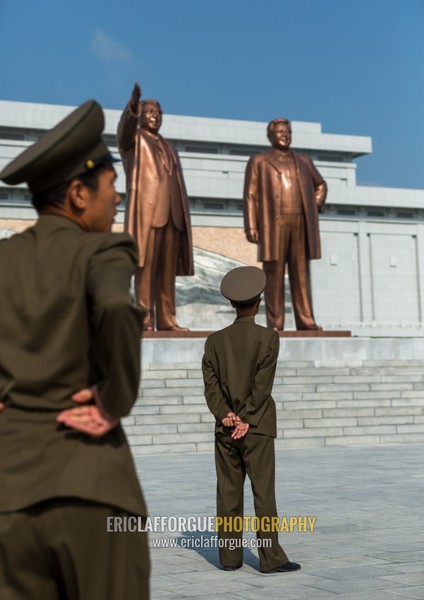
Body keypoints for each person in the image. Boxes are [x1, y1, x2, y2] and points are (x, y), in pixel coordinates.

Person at [0, 100, 150, 599]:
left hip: (9, 496)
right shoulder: (101, 250)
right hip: (93, 490)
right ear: (79, 194)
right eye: (112, 189)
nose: (118, 201)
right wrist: (115, 399)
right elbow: (114, 308)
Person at [202, 266, 300, 573]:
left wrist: (227, 415)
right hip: (256, 429)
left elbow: (211, 386)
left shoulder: (214, 341)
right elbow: (262, 385)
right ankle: (270, 559)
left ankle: (230, 558)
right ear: (257, 303)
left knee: (228, 493)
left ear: (232, 304)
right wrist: (247, 418)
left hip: (225, 429)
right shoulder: (268, 338)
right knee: (263, 493)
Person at [117, 82, 194, 331]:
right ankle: (144, 319)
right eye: (150, 113)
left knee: (167, 272)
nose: (155, 117)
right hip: (148, 215)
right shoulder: (134, 141)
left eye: (158, 114)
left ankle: (167, 319)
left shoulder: (170, 146)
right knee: (146, 269)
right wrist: (132, 107)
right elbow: (123, 132)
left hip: (173, 215)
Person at [243, 118, 327, 331]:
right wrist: (251, 226)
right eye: (279, 132)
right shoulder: (259, 161)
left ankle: (306, 319)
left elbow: (321, 185)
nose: (284, 135)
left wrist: (314, 205)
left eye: (287, 131)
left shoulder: (304, 161)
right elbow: (250, 196)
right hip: (273, 225)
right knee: (274, 275)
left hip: (300, 222)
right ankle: (275, 322)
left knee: (301, 274)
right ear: (270, 136)